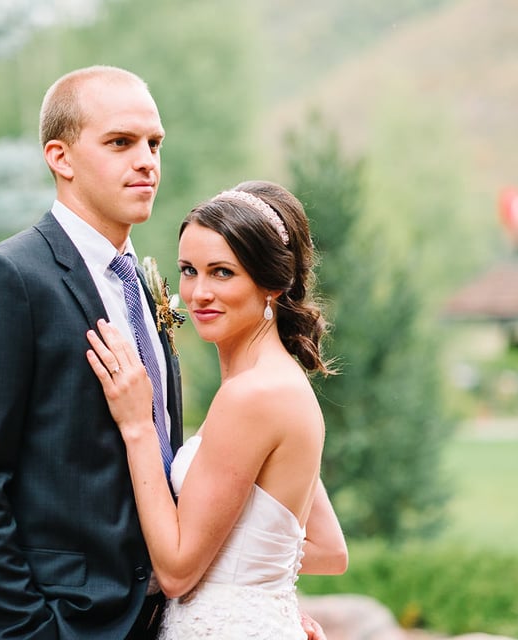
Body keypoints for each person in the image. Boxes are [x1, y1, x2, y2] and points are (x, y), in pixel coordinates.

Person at [0, 64, 329, 639]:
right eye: (120, 142)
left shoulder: (147, 286)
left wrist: (256, 607)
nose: (146, 160)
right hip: (59, 624)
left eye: (153, 143)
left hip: (158, 621)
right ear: (60, 158)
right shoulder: (6, 280)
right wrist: (29, 632)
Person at [85, 180, 349, 638]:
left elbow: (177, 573)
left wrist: (137, 426)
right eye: (189, 270)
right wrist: (264, 602)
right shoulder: (282, 382)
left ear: (273, 283)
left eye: (222, 272)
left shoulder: (251, 396)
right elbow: (327, 547)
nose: (198, 292)